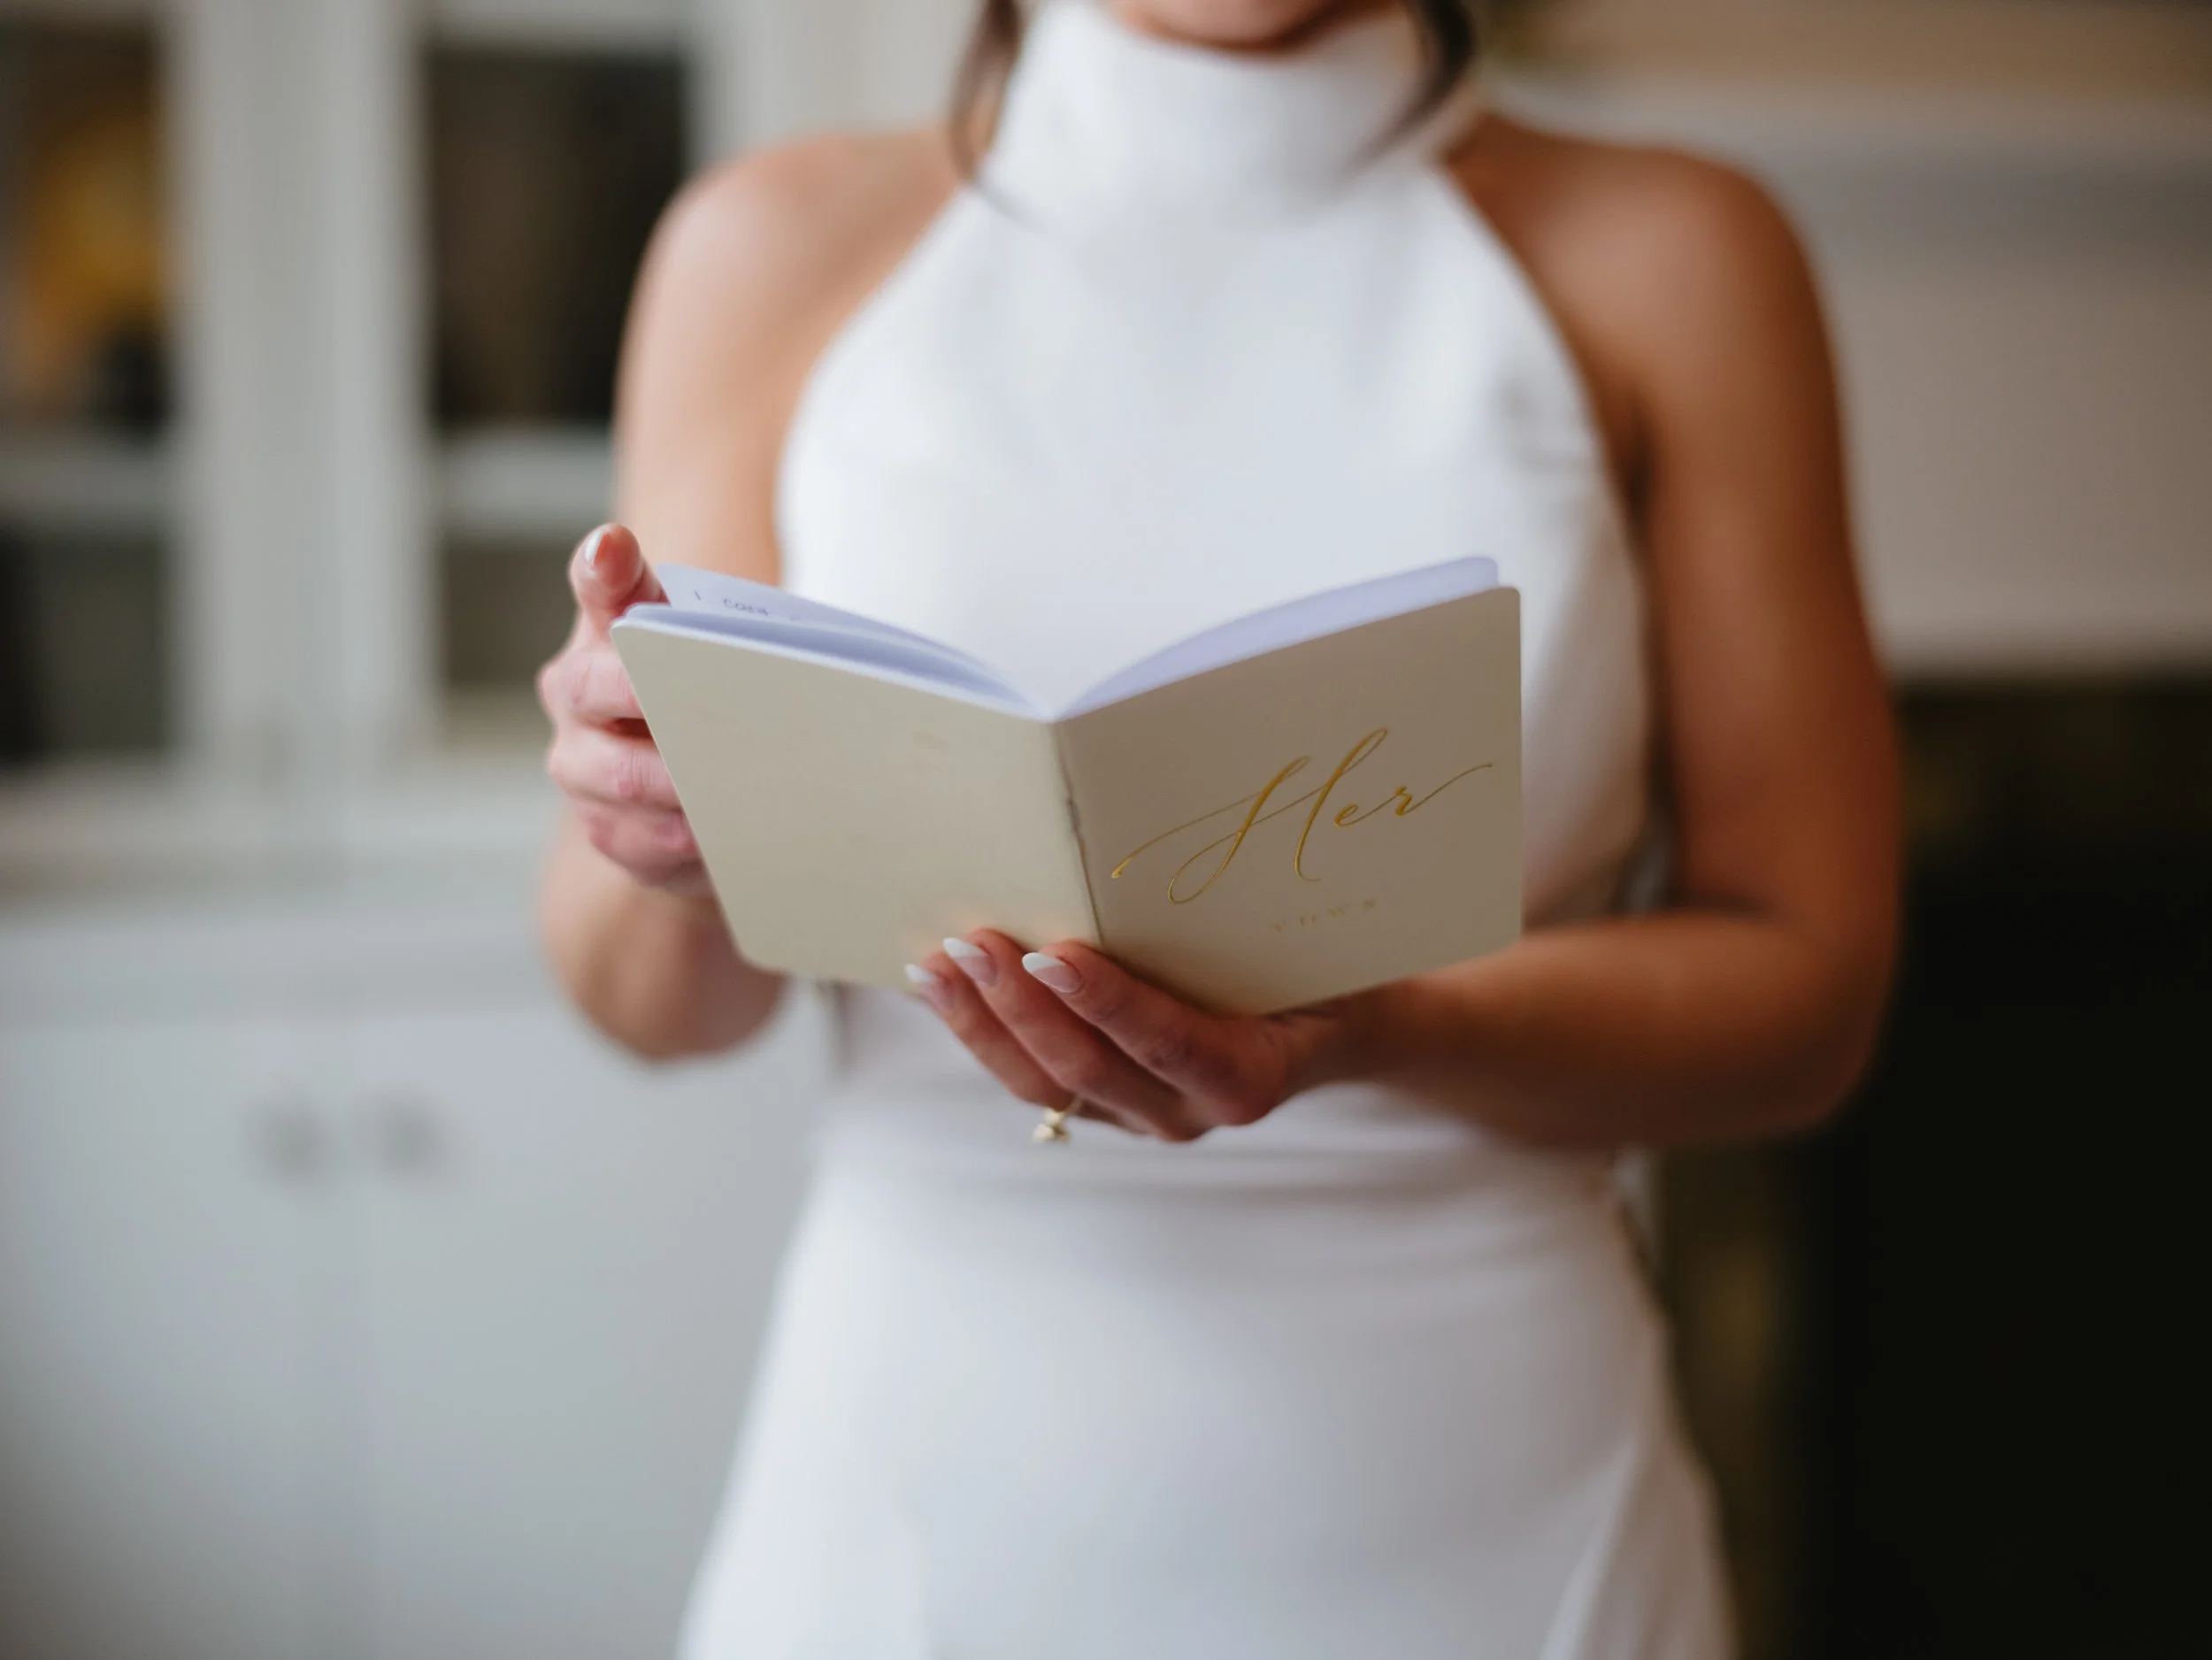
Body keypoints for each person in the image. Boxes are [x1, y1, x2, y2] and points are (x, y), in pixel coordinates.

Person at [536, 0, 1898, 1652]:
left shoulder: (1677, 257)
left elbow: (1806, 998)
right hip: (918, 1514)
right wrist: (673, 842)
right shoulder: (766, 249)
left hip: (1500, 1514)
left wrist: (1371, 1029)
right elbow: (638, 999)